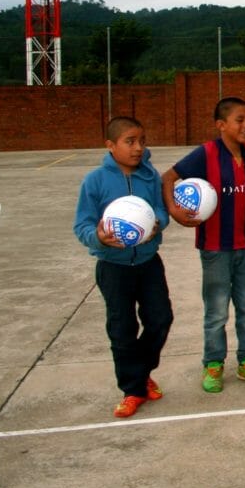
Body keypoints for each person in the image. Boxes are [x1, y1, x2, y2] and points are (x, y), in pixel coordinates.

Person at [163, 97, 245, 393]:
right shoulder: (205, 154)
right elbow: (168, 177)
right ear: (221, 125)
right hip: (214, 248)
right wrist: (173, 208)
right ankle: (213, 363)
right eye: (240, 120)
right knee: (217, 311)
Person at [74, 116, 173, 417]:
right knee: (122, 329)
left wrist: (158, 224)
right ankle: (133, 389)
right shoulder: (95, 181)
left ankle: (141, 372)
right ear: (110, 145)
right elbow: (82, 225)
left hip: (147, 262)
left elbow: (160, 210)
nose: (138, 148)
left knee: (160, 318)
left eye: (141, 141)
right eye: (130, 141)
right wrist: (99, 238)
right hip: (113, 266)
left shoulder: (149, 176)